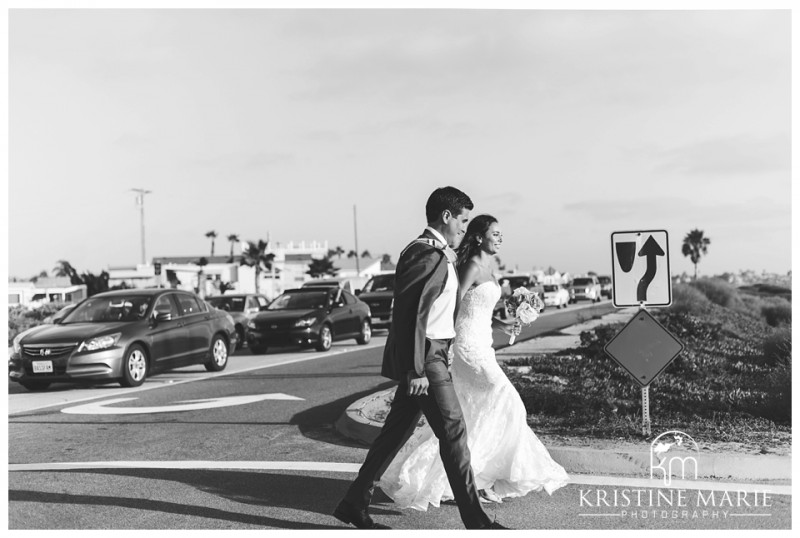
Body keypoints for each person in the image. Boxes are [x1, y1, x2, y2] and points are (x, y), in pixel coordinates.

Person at [333, 187, 507, 530]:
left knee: (395, 432)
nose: (464, 227)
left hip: (435, 354)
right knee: (454, 432)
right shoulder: (423, 254)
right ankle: (476, 521)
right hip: (427, 359)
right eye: (462, 219)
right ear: (446, 216)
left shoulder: (439, 254)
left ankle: (354, 502)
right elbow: (410, 316)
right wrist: (415, 369)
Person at [377, 214, 569, 510]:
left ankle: (475, 479)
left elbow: (478, 310)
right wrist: (450, 346)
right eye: (495, 233)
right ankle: (476, 480)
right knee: (506, 399)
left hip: (484, 343)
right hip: (466, 347)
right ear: (479, 237)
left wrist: (502, 324)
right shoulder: (470, 266)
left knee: (476, 412)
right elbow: (454, 304)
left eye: (501, 233)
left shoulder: (492, 268)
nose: (500, 238)